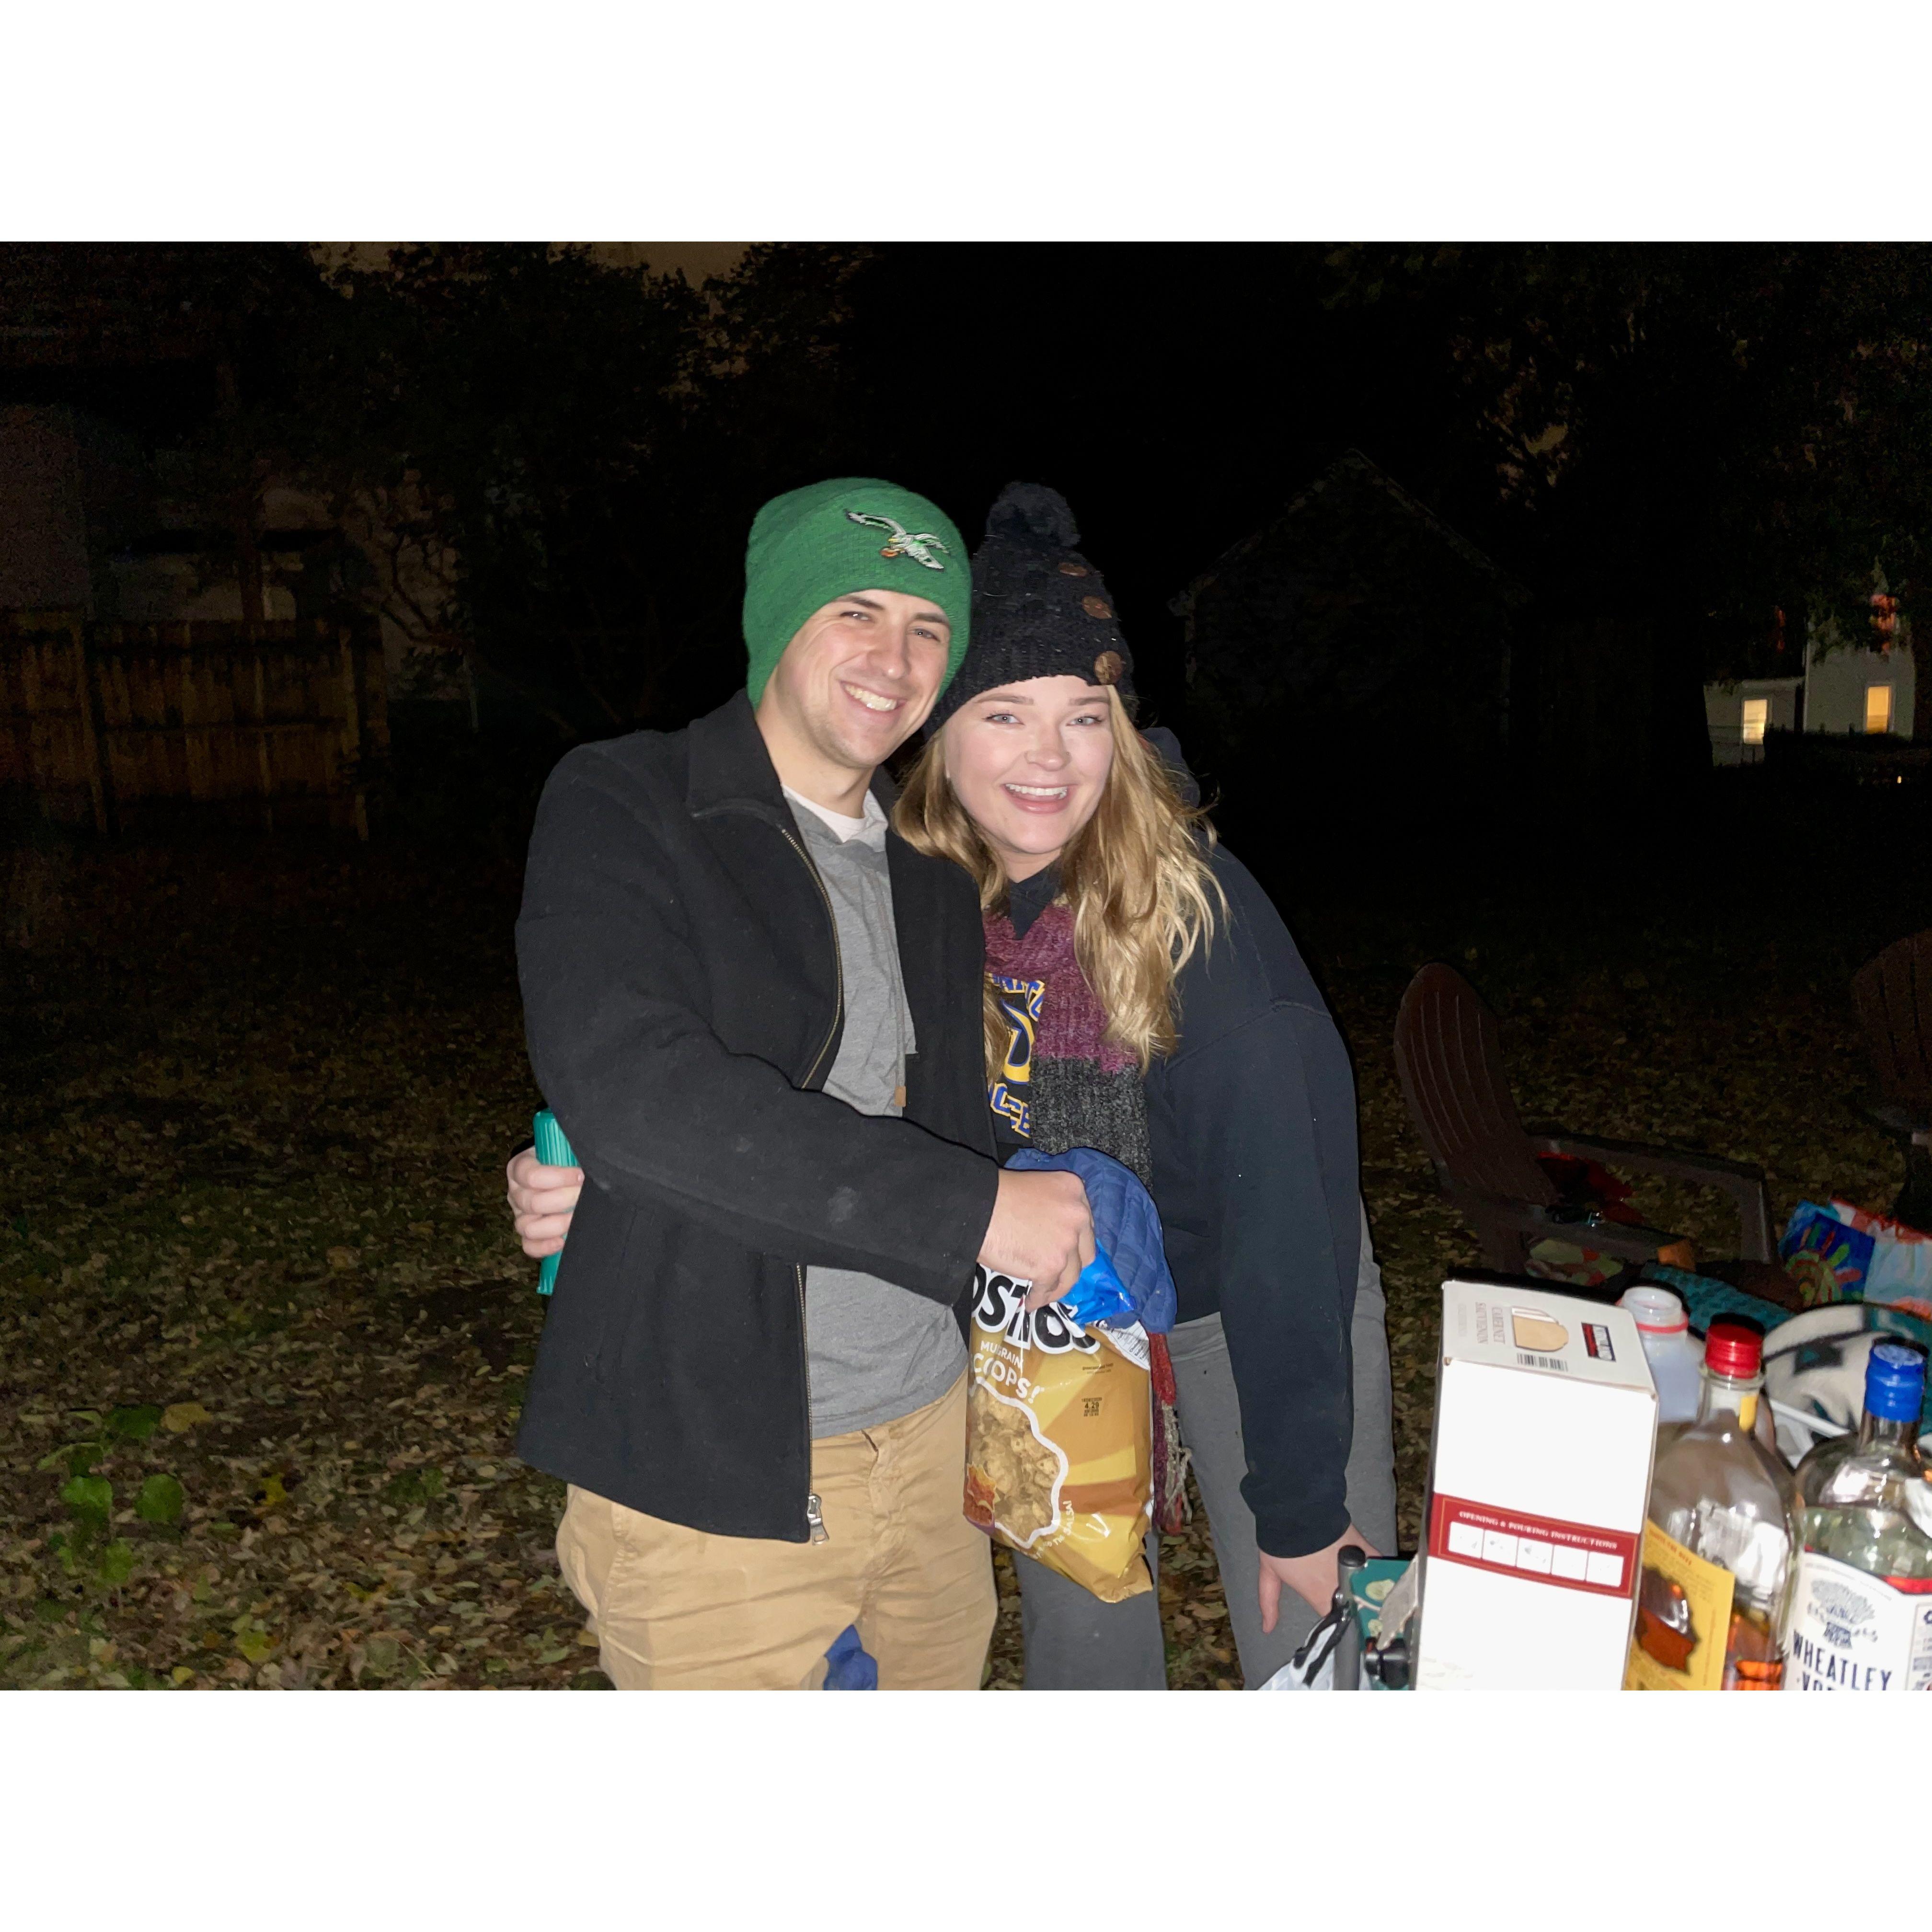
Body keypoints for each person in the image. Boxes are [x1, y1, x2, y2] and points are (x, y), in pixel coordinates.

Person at [512, 483, 1399, 1689]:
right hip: (996, 1330)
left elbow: (1288, 1216)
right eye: (1005, 711)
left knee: (1315, 1643)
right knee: (1087, 1662)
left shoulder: (1163, 924)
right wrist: (610, 1173)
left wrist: (1300, 1501)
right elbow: (692, 1083)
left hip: (1233, 1301)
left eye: (1084, 716)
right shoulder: (914, 874)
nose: (1046, 756)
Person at [512, 476, 1097, 1690]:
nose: (896, 657)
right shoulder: (628, 802)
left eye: (929, 627)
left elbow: (928, 1117)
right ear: (776, 621)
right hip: (712, 1473)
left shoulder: (936, 864)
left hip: (934, 1451)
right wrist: (973, 1213)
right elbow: (640, 1089)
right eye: (856, 610)